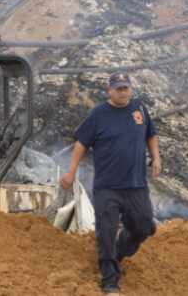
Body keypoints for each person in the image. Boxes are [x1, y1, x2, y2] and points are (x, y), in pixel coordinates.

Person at [60, 72, 161, 294]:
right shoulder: (98, 114)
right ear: (110, 91)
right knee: (106, 231)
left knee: (144, 226)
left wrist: (156, 156)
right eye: (119, 89)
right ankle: (109, 280)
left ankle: (118, 252)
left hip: (136, 184)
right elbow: (81, 144)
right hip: (107, 187)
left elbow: (151, 135)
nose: (123, 92)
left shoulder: (139, 109)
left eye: (126, 88)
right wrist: (71, 172)